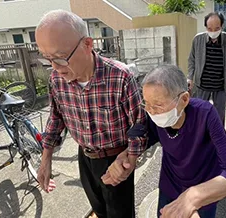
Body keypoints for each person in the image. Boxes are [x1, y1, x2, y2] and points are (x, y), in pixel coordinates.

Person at [35, 10, 147, 218]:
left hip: (116, 158)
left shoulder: (120, 77)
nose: (55, 67)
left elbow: (139, 125)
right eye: (47, 59)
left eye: (60, 58)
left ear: (87, 44)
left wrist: (130, 160)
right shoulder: (56, 80)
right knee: (99, 210)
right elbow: (55, 118)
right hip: (84, 157)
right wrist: (46, 158)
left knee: (121, 214)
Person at [103, 65, 226, 218]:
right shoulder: (155, 118)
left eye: (158, 105)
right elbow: (146, 138)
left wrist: (193, 197)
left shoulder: (205, 114)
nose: (151, 111)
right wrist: (126, 157)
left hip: (203, 188)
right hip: (170, 184)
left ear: (184, 99)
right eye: (147, 103)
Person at [188, 12, 226, 124]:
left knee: (219, 115)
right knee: (199, 112)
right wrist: (190, 77)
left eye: (217, 28)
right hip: (202, 85)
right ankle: (200, 135)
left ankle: (218, 138)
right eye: (210, 28)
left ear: (222, 26)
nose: (213, 32)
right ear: (206, 27)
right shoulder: (198, 40)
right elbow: (192, 60)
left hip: (220, 86)